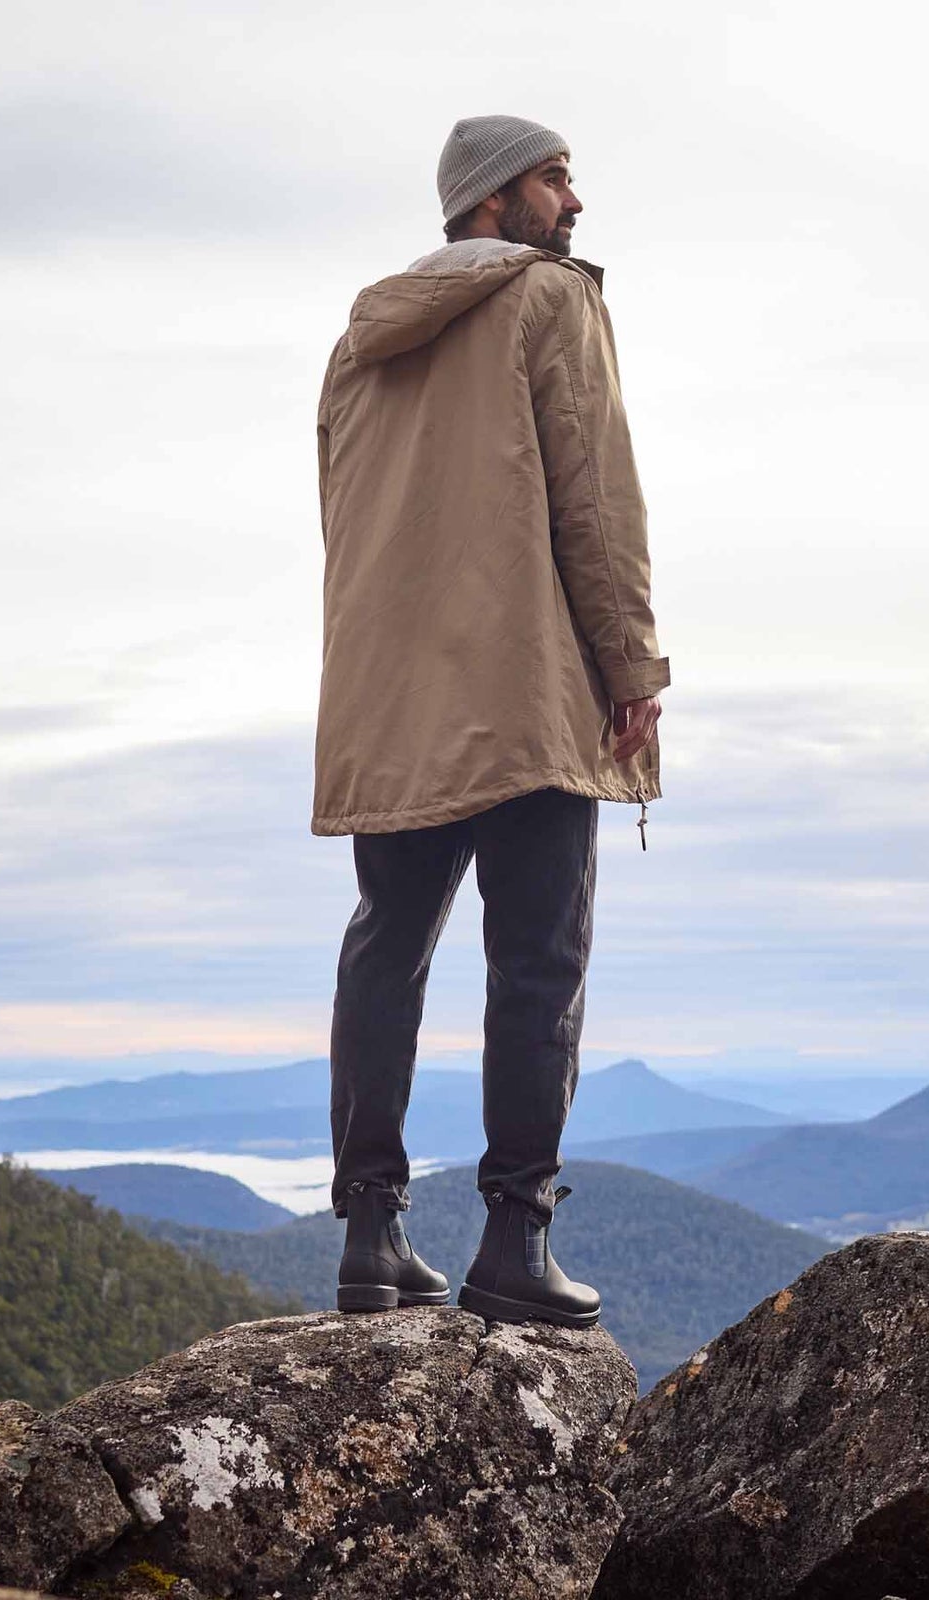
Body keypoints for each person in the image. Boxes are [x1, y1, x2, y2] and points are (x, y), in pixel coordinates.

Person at [313, 114, 669, 1328]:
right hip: (519, 686)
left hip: (389, 692)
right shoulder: (549, 302)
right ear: (489, 201)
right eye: (553, 178)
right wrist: (630, 664)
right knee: (537, 963)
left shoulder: (358, 341)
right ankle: (513, 1241)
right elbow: (595, 494)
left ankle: (372, 1236)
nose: (574, 201)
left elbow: (341, 522)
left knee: (387, 946)